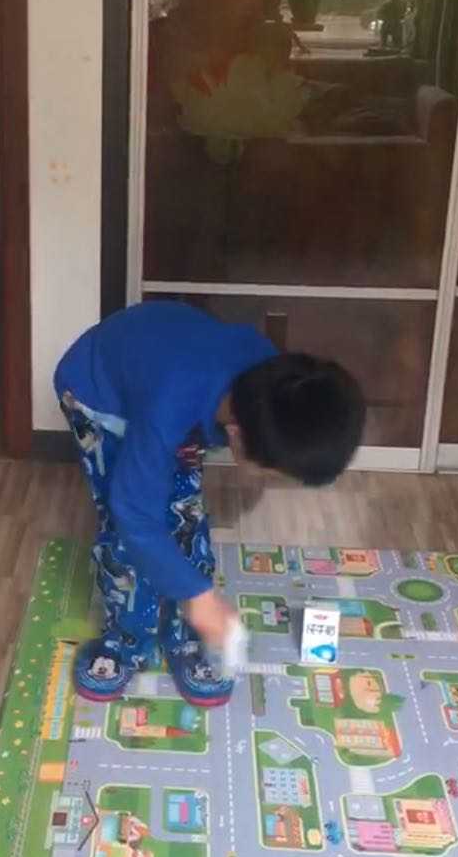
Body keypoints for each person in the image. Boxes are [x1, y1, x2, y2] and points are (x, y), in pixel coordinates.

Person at [55, 301, 365, 708]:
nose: (269, 483)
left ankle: (184, 632)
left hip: (165, 378)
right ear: (236, 435)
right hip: (97, 393)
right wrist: (199, 596)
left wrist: (196, 596)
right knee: (125, 526)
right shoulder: (169, 406)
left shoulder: (273, 380)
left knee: (183, 511)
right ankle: (126, 640)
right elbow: (134, 513)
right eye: (272, 474)